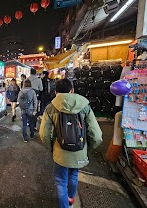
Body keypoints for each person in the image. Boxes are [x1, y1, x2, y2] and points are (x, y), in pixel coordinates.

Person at [39, 78, 103, 208]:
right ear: (72, 90)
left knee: (60, 181)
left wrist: (51, 147)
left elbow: (44, 134)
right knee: (73, 175)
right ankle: (70, 201)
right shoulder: (85, 106)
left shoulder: (51, 108)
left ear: (56, 92)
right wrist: (86, 148)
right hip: (79, 149)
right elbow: (96, 136)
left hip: (60, 152)